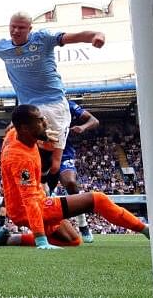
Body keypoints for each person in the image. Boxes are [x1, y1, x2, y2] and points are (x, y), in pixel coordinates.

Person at [0, 12, 105, 180]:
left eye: (21, 27)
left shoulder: (43, 39)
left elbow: (74, 36)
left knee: (54, 164)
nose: (15, 31)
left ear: (30, 28)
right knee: (18, 147)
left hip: (54, 106)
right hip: (27, 109)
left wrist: (95, 35)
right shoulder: (3, 47)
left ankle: (44, 184)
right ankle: (30, 186)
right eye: (12, 26)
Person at [0, 105, 148, 249]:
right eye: (39, 120)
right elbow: (30, 201)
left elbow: (11, 129)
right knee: (97, 199)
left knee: (72, 241)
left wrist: (42, 136)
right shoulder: (20, 158)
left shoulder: (14, 134)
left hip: (29, 203)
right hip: (30, 208)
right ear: (25, 128)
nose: (45, 122)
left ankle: (7, 240)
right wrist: (40, 239)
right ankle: (146, 230)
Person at [44, 100, 100, 243]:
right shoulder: (34, 104)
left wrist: (83, 127)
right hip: (42, 154)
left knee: (70, 182)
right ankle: (49, 229)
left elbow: (94, 120)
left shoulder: (67, 104)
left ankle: (83, 224)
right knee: (44, 193)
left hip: (64, 153)